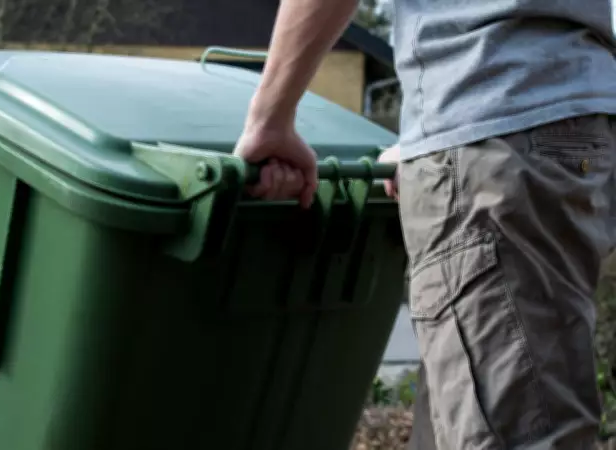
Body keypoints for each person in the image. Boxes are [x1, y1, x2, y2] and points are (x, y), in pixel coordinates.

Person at [234, 0, 616, 448]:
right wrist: (427, 138)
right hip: (568, 117)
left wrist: (271, 118)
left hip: (490, 122)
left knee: (515, 433)